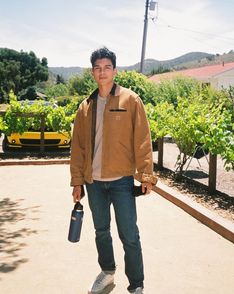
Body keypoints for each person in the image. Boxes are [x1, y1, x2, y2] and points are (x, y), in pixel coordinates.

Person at [70, 47, 157, 294]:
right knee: (101, 231)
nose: (102, 72)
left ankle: (136, 285)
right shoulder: (84, 107)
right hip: (93, 182)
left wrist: (146, 176)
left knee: (129, 235)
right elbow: (78, 148)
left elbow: (142, 139)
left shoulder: (131, 100)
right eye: (98, 68)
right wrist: (77, 181)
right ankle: (107, 272)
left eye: (107, 67)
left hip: (121, 181)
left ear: (115, 71)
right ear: (92, 73)